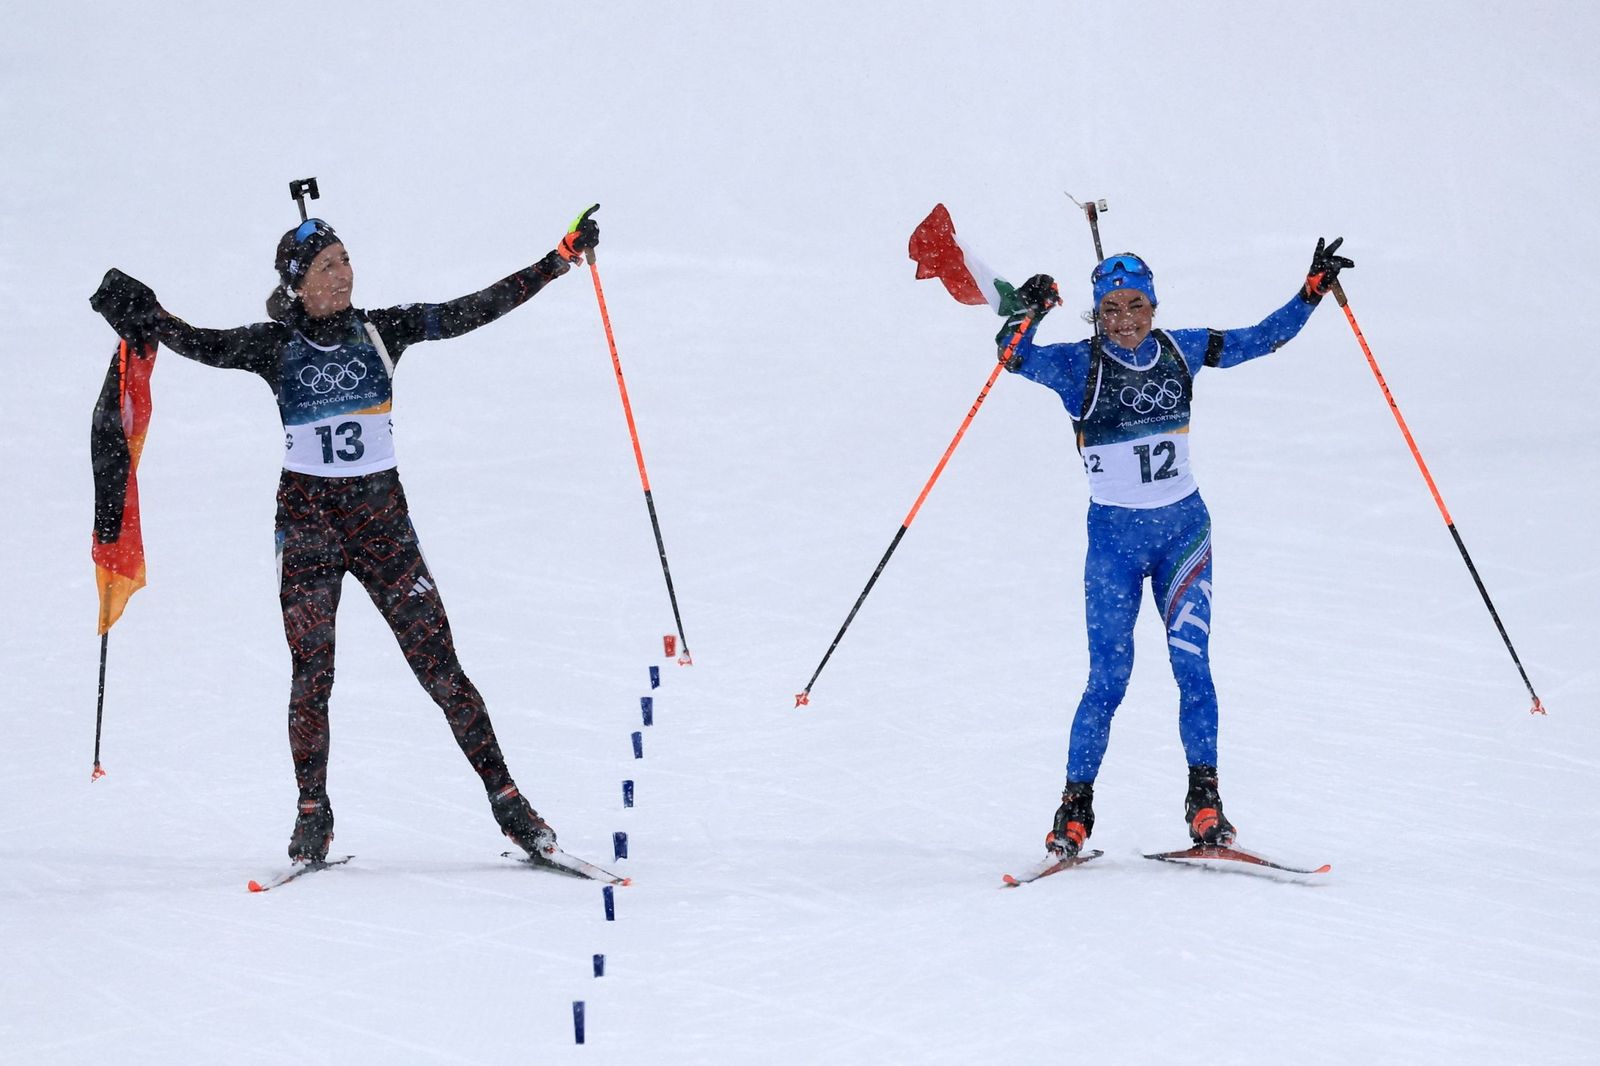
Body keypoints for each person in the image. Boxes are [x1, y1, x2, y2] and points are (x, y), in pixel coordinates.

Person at [89, 208, 601, 864]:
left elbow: (475, 308)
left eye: (347, 260)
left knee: (441, 669)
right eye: (328, 266)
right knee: (312, 674)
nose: (345, 274)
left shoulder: (384, 331)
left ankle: (509, 803)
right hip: (308, 528)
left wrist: (557, 261)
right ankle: (312, 813)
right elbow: (199, 343)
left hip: (382, 526)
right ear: (298, 283)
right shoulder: (273, 348)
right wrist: (148, 315)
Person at [995, 238, 1354, 856]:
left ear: (1154, 307)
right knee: (1108, 677)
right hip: (1112, 545)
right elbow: (1012, 358)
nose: (1124, 318)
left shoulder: (1181, 349)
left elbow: (1260, 338)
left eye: (1135, 304)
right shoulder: (1077, 366)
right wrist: (1030, 310)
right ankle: (1074, 809)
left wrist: (1312, 291)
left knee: (1194, 669)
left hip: (1183, 537)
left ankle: (1206, 804)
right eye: (1110, 309)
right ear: (1097, 314)